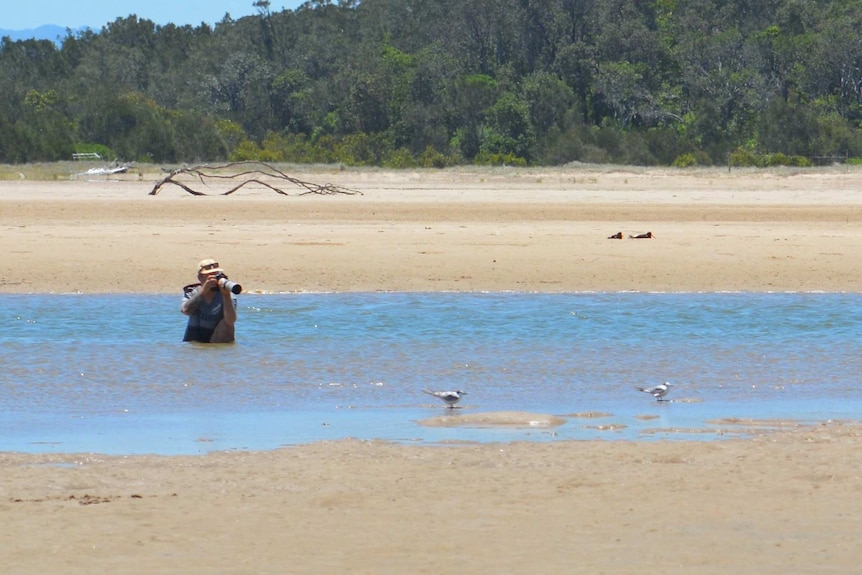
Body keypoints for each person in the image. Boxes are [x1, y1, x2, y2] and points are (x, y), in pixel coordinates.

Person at [181, 258, 237, 343]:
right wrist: (203, 291)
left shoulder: (227, 294)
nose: (214, 278)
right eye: (209, 275)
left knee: (225, 324)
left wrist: (226, 295)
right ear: (200, 277)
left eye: (216, 274)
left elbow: (230, 321)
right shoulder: (192, 291)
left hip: (218, 340)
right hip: (195, 340)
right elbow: (185, 311)